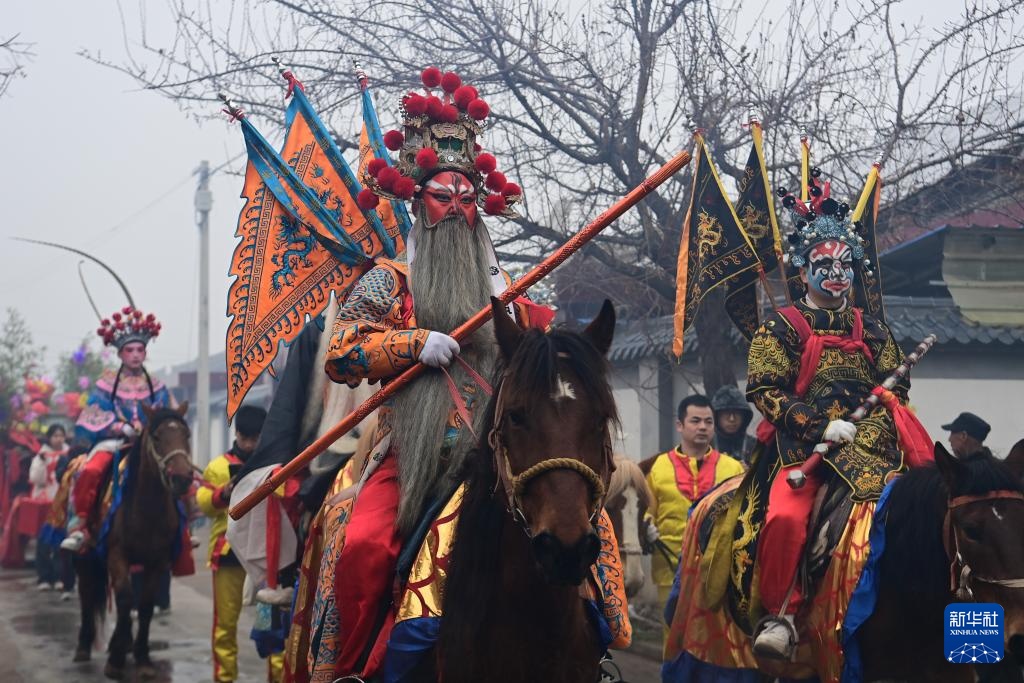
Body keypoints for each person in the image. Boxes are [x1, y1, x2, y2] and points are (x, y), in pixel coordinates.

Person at [319, 67, 558, 679]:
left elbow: (545, 358)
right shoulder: (390, 280)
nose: (455, 209)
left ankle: (595, 651)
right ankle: (352, 670)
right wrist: (410, 344)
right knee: (363, 547)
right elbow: (341, 351)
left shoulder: (505, 286)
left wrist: (519, 318)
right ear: (416, 202)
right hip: (410, 456)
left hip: (498, 453)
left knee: (583, 527)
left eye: (466, 199)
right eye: (442, 197)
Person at [744, 174, 931, 658]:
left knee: (934, 505)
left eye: (845, 264)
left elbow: (897, 383)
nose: (836, 273)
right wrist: (817, 425)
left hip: (875, 441)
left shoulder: (873, 328)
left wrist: (878, 412)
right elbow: (763, 388)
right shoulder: (781, 327)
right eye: (824, 264)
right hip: (805, 449)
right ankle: (783, 615)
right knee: (786, 518)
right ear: (802, 268)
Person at [61, 306, 171, 552]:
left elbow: (165, 416)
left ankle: (182, 530)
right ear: (120, 354)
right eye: (130, 350)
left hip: (148, 443)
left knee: (176, 469)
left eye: (140, 350)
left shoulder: (157, 386)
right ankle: (80, 526)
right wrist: (120, 426)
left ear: (145, 353)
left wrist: (149, 426)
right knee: (90, 470)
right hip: (114, 442)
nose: (135, 355)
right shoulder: (105, 385)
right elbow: (94, 414)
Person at [643, 395, 744, 638]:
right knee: (674, 636)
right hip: (669, 566)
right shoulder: (658, 467)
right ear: (680, 425)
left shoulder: (733, 468)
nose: (702, 427)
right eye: (695, 421)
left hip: (717, 571)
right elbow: (647, 511)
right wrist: (646, 526)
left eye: (708, 422)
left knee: (714, 640)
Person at [197, 404, 269, 683]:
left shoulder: (275, 463)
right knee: (225, 625)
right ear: (236, 434)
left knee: (273, 627)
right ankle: (225, 678)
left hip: (266, 557)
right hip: (228, 555)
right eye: (245, 438)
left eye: (255, 439)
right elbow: (204, 504)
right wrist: (225, 491)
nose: (249, 445)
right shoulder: (217, 467)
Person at [30, 424, 68, 590]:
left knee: (60, 541)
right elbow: (35, 479)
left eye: (61, 435)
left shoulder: (68, 454)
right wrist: (42, 463)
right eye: (55, 436)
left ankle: (60, 576)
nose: (58, 439)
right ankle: (44, 577)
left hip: (62, 501)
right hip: (44, 501)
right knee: (43, 540)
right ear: (49, 438)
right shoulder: (41, 455)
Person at [710, 384, 757, 465]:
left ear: (744, 416)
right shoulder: (706, 445)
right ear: (716, 416)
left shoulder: (755, 446)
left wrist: (751, 470)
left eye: (737, 413)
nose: (732, 419)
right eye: (726, 413)